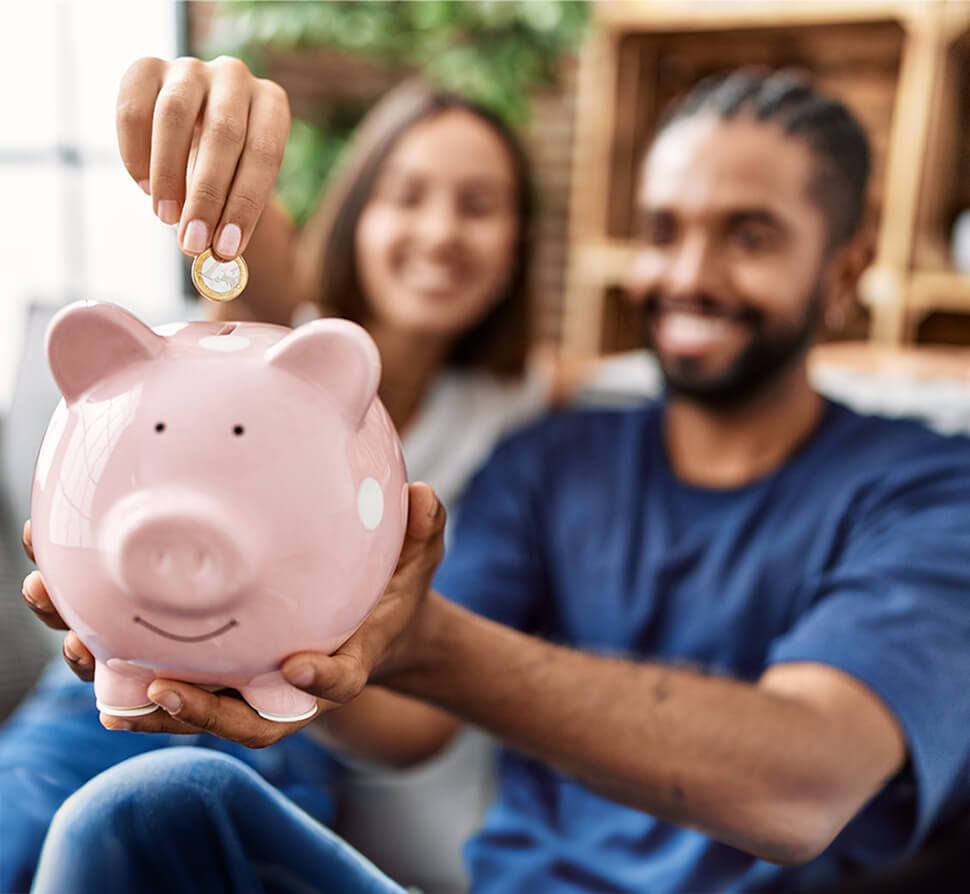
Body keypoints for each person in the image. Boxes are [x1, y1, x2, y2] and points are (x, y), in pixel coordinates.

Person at [18, 68, 970, 893]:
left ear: (845, 272)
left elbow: (805, 784)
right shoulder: (550, 458)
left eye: (750, 236)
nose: (690, 272)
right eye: (663, 229)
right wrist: (291, 654)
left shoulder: (930, 491)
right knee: (149, 808)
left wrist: (416, 639)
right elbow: (407, 714)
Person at [1, 56, 551, 893]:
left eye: (478, 207)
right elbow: (255, 264)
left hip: (284, 745)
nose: (440, 231)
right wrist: (223, 121)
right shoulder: (275, 335)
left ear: (518, 244)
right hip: (97, 696)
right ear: (357, 213)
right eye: (407, 196)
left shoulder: (524, 415)